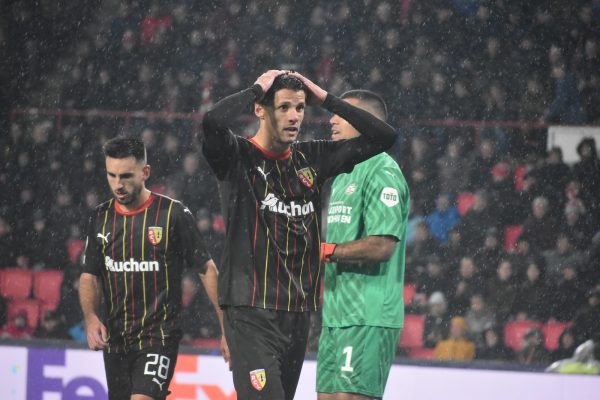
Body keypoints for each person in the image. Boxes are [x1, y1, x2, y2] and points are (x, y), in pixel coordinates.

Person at [201, 71, 396, 399]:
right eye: (284, 107)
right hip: (250, 310)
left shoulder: (313, 158)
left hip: (297, 314)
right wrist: (255, 89)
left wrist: (326, 98)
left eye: (301, 108)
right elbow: (211, 123)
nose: (294, 116)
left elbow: (384, 138)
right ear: (261, 110)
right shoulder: (238, 157)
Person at [80, 137, 227, 400]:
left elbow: (207, 269)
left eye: (125, 176)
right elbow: (90, 275)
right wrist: (90, 316)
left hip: (158, 338)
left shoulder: (173, 215)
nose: (118, 185)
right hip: (116, 341)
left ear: (145, 172)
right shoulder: (100, 218)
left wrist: (227, 328)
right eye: (111, 175)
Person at [318, 89, 408, 400]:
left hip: (368, 313)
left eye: (340, 114)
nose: (331, 121)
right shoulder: (343, 173)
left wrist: (326, 252)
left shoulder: (382, 170)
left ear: (364, 121)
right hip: (336, 314)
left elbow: (382, 246)